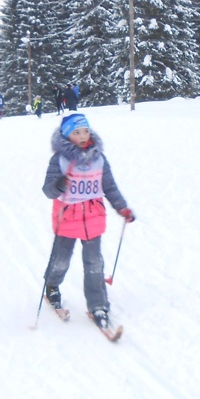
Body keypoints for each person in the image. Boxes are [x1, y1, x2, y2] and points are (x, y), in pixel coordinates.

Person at [41, 113, 135, 334]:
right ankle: (52, 285)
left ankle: (98, 306)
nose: (83, 136)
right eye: (76, 132)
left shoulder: (99, 158)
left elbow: (110, 187)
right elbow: (47, 190)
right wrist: (59, 184)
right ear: (67, 136)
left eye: (85, 131)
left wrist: (122, 208)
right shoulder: (60, 159)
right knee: (61, 260)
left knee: (94, 264)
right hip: (67, 218)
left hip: (93, 218)